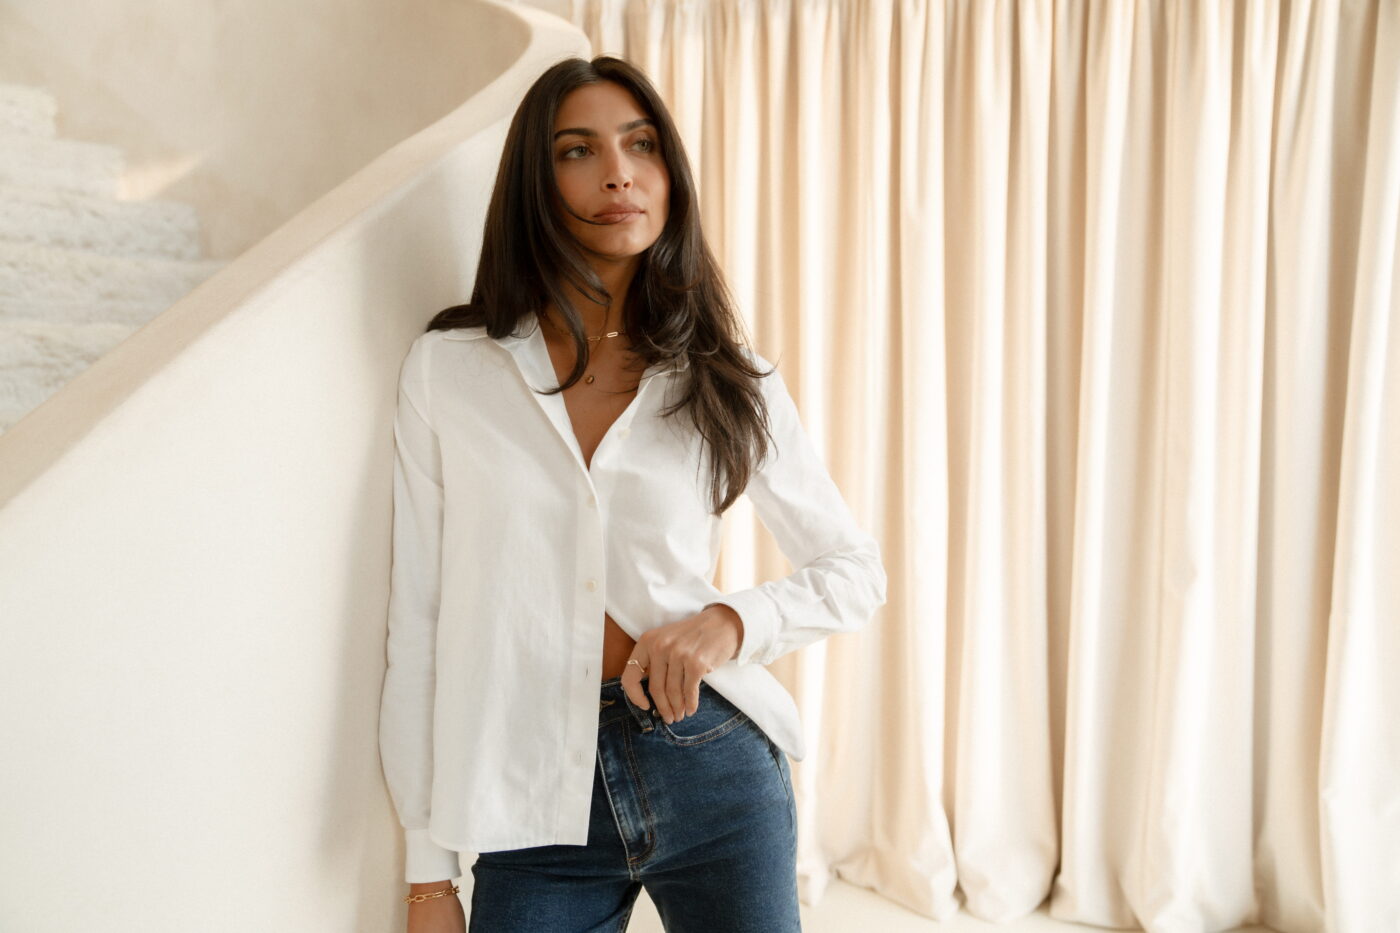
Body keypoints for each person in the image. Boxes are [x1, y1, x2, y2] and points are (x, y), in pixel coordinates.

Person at [380, 55, 887, 933]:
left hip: (714, 772)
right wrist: (429, 877)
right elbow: (420, 621)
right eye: (578, 150)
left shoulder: (731, 379)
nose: (617, 171)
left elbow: (853, 570)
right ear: (535, 185)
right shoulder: (450, 371)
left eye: (640, 144)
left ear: (669, 175)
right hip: (529, 798)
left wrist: (729, 622)